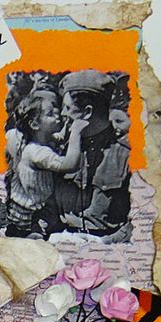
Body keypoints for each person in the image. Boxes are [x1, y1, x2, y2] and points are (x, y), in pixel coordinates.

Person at [54, 71, 133, 239]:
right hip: (60, 241)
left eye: (67, 108)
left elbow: (143, 219)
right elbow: (47, 206)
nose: (62, 114)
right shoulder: (62, 149)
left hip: (106, 247)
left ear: (87, 112)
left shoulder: (128, 155)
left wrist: (105, 243)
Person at [3, 88, 86, 239]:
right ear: (35, 124)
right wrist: (76, 132)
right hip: (30, 216)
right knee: (40, 240)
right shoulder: (37, 152)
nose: (58, 115)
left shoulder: (37, 139)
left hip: (24, 207)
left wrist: (67, 126)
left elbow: (59, 138)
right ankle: (32, 235)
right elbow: (70, 165)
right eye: (50, 114)